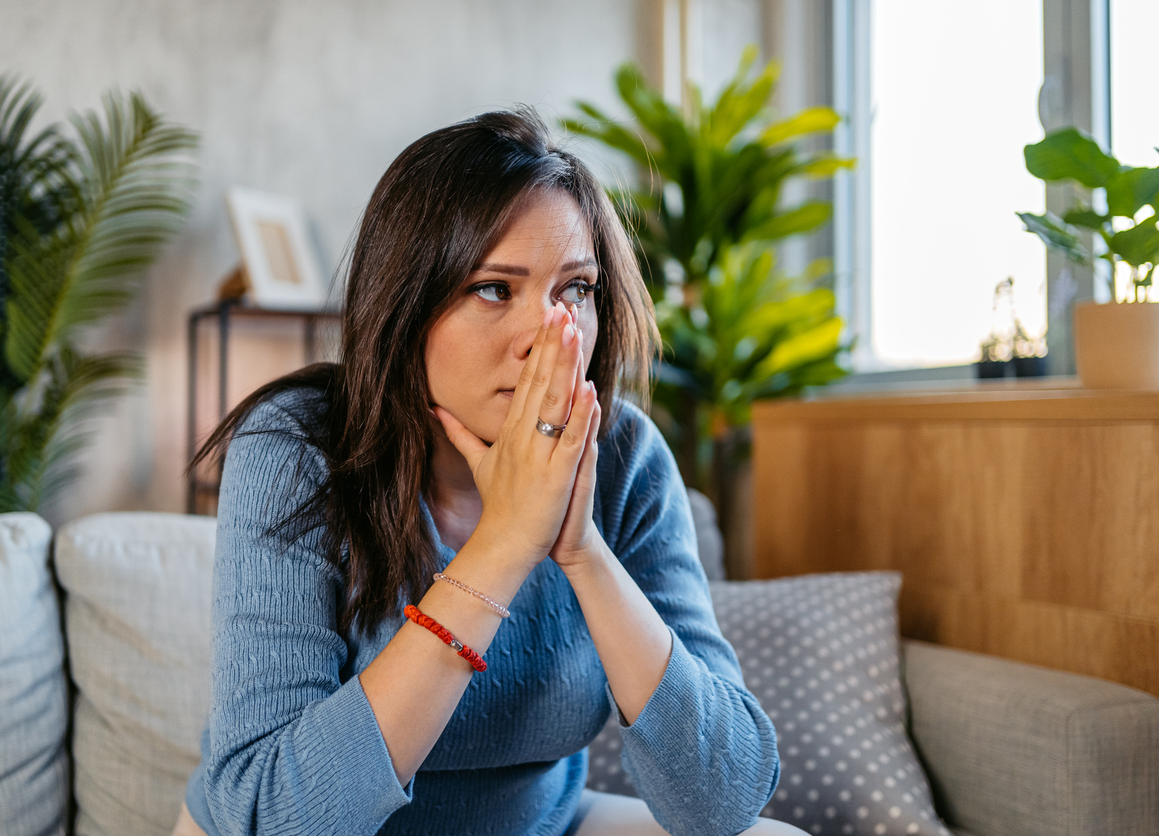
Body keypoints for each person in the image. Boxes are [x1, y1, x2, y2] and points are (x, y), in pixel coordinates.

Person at [173, 108, 806, 836]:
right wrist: (503, 545)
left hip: (536, 823)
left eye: (575, 290)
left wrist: (581, 550)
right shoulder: (295, 448)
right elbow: (276, 816)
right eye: (495, 289)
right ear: (405, 309)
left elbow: (723, 800)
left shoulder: (624, 455)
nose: (549, 338)